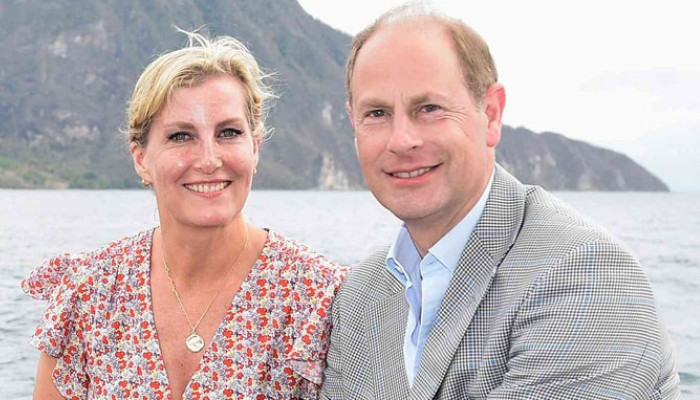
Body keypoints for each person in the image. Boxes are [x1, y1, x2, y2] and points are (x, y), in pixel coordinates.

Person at [321, 5, 679, 399]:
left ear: (491, 115)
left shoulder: (584, 274)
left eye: (430, 109)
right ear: (353, 125)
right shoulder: (359, 294)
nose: (401, 140)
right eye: (377, 113)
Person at [22, 30, 344, 400]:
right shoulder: (90, 293)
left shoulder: (317, 297)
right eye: (180, 136)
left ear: (254, 149)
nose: (209, 160)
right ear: (141, 159)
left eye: (228, 132)